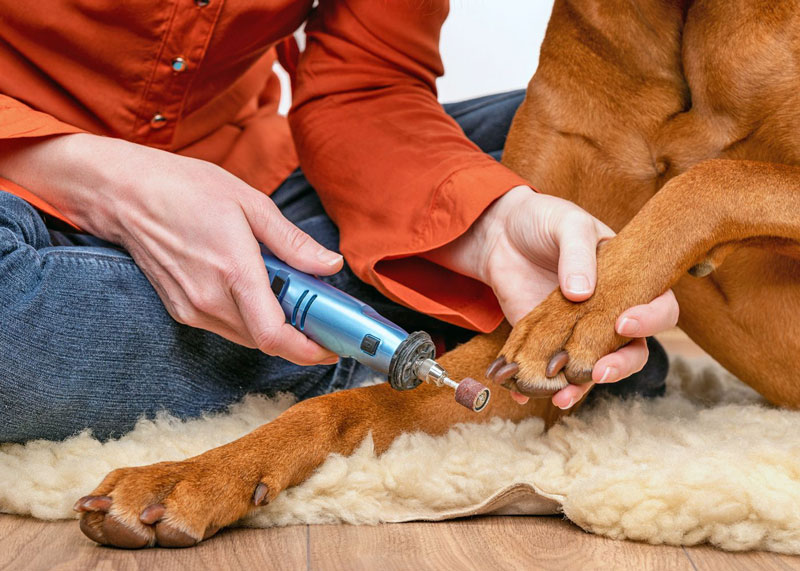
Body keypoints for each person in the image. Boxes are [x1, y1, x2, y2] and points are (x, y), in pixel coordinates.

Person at [0, 1, 678, 443]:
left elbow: (367, 80)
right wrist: (109, 183)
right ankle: (408, 343)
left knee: (624, 141)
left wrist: (494, 220)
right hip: (18, 180)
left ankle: (344, 321)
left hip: (259, 198)